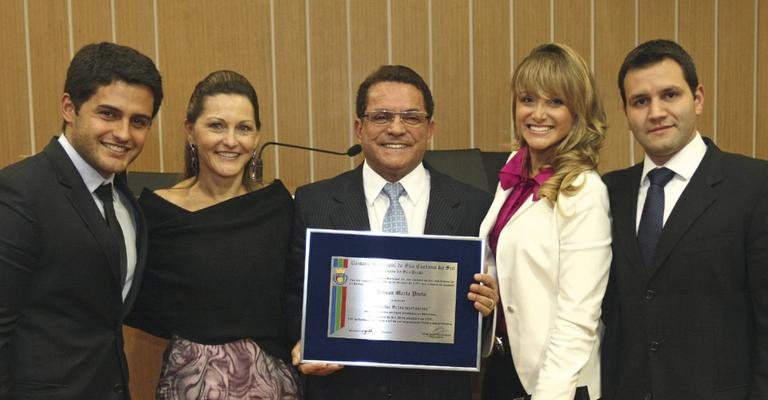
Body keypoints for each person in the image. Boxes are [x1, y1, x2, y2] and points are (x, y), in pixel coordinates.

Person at [289, 65, 497, 400]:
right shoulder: (313, 203)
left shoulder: (475, 208)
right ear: (360, 128)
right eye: (382, 116)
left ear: (430, 129)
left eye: (411, 117)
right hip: (342, 390)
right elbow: (293, 297)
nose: (396, 128)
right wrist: (303, 341)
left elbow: (480, 321)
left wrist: (488, 307)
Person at [600, 39, 768, 399]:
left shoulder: (755, 186)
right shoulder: (608, 192)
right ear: (626, 112)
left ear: (698, 98)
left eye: (670, 95)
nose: (656, 112)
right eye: (640, 101)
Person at [0, 42, 163, 399]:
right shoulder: (18, 192)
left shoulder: (123, 197)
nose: (123, 134)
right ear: (69, 108)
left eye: (139, 121)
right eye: (108, 114)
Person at [125, 70, 299, 399]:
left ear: (257, 136)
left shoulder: (280, 208)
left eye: (244, 128)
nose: (231, 141)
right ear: (190, 131)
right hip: (187, 385)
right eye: (216, 125)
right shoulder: (155, 213)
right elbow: (134, 303)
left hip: (269, 387)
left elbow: (299, 297)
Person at [479, 43, 611, 400]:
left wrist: (550, 394)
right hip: (507, 367)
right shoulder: (515, 168)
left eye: (555, 101)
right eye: (527, 99)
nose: (538, 114)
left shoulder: (585, 191)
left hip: (559, 382)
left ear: (577, 111)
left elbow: (578, 317)